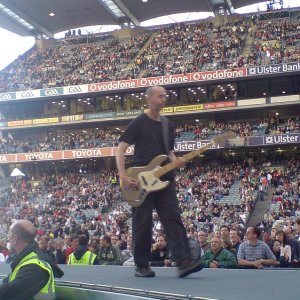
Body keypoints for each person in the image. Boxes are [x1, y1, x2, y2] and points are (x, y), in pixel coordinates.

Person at [116, 85, 203, 278]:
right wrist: (122, 176)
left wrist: (175, 161)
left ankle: (184, 261)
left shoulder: (167, 125)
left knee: (173, 218)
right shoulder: (138, 122)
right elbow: (121, 149)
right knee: (142, 223)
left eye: (165, 96)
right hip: (141, 180)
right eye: (160, 96)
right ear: (149, 99)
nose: (164, 99)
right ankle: (141, 264)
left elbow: (169, 151)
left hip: (165, 179)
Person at [0, 220, 55, 300]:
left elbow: (8, 292)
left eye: (9, 236)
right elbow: (5, 284)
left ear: (15, 239)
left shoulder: (34, 266)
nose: (8, 240)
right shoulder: (24, 260)